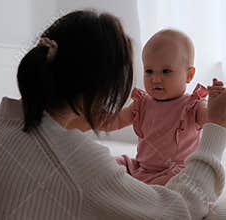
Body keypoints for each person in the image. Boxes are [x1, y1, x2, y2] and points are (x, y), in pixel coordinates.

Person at [0, 10, 226, 220]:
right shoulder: (81, 166)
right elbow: (180, 210)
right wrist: (217, 129)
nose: (154, 80)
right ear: (102, 90)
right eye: (145, 71)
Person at [80, 29, 218, 185]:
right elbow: (116, 121)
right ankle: (134, 186)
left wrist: (216, 104)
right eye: (149, 71)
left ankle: (143, 191)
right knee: (108, 164)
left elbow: (214, 121)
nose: (156, 79)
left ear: (189, 75)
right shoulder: (142, 104)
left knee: (179, 180)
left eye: (166, 71)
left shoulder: (192, 106)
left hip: (174, 170)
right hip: (141, 167)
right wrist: (96, 116)